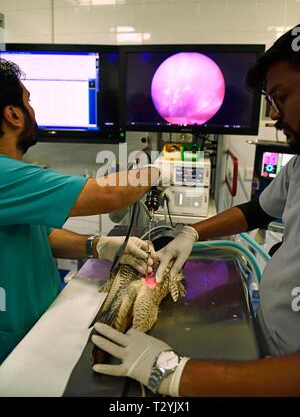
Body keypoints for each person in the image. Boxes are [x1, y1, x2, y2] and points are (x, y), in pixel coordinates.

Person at [91, 25, 300, 396]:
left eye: (281, 96)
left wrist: (173, 373)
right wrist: (192, 233)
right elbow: (256, 211)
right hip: (267, 343)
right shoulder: (298, 166)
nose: (274, 114)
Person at [0, 58, 170, 363]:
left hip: (41, 325)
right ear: (13, 115)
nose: (32, 110)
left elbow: (36, 233)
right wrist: (158, 169)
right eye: (28, 101)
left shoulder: (11, 175)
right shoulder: (4, 176)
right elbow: (112, 194)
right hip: (13, 347)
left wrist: (96, 245)